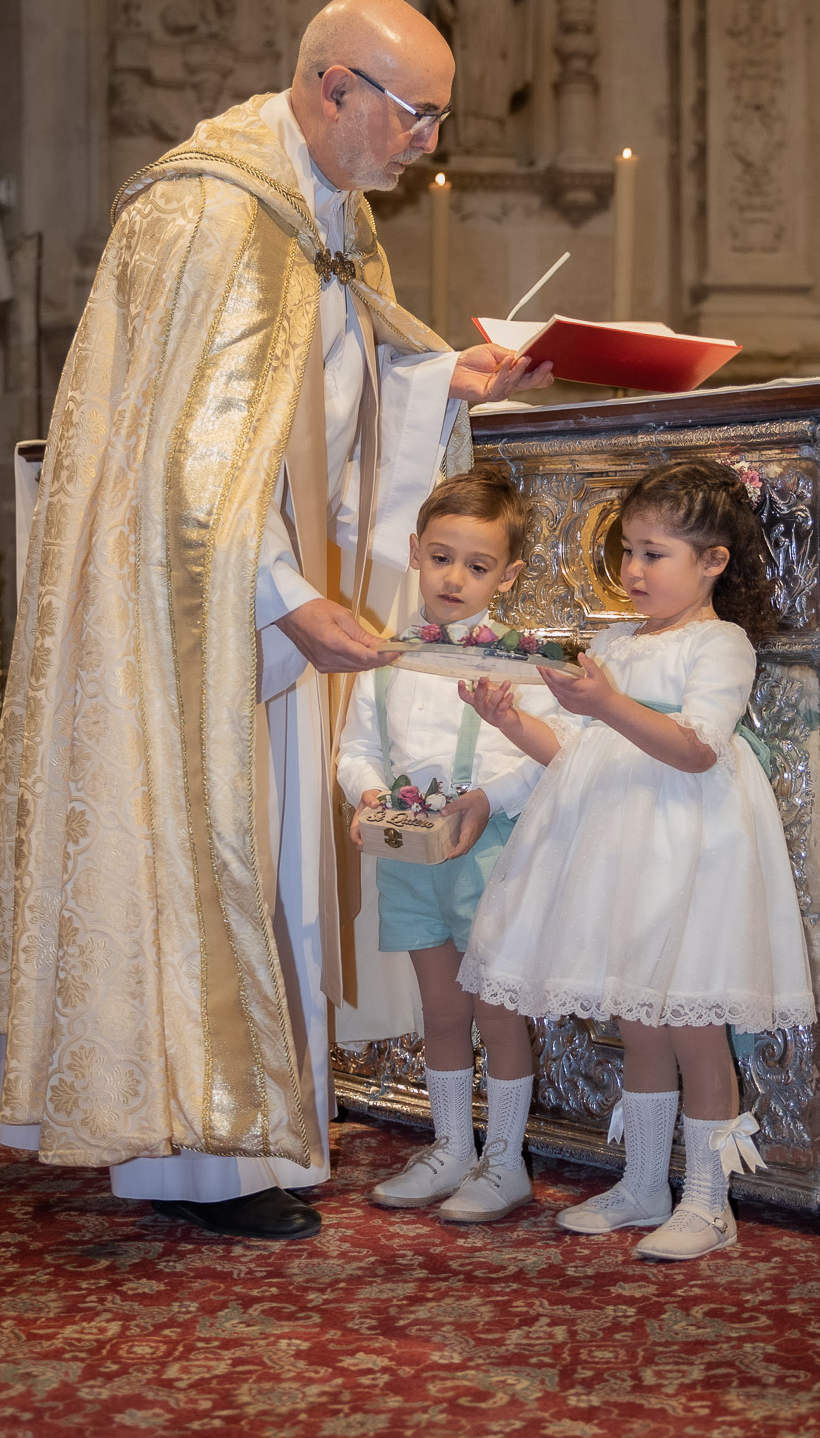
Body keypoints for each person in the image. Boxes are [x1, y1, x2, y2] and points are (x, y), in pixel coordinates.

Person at [0, 0, 551, 1241]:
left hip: (265, 613)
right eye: (413, 113)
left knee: (271, 872)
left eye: (437, 118)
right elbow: (175, 462)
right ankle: (200, 1157)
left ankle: (258, 1129)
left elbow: (330, 390)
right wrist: (289, 603)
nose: (426, 144)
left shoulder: (325, 213)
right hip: (205, 620)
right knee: (212, 860)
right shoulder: (209, 212)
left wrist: (448, 371)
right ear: (334, 85)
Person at [458, 459, 815, 1261]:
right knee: (637, 1018)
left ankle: (707, 1201)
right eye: (628, 552)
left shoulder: (718, 643)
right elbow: (572, 752)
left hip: (689, 846)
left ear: (712, 560)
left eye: (655, 553)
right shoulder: (616, 641)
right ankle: (646, 1181)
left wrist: (607, 702)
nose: (633, 570)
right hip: (615, 848)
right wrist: (514, 721)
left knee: (692, 1023)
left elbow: (696, 750)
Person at [338, 464, 555, 1223]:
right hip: (411, 856)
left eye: (477, 564)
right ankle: (452, 1148)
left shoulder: (514, 659)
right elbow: (357, 747)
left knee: (496, 1014)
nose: (454, 578)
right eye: (440, 557)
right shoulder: (390, 655)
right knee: (440, 1010)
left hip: (488, 854)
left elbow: (539, 756)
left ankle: (505, 1162)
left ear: (509, 574)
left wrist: (486, 797)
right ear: (415, 552)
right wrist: (365, 792)